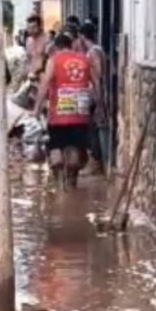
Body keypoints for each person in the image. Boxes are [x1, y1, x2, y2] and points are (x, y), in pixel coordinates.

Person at [32, 32, 99, 189]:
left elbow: (45, 85)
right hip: (80, 114)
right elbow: (97, 84)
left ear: (55, 47)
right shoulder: (85, 60)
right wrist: (100, 105)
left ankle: (59, 172)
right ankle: (71, 177)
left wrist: (37, 108)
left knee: (56, 145)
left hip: (58, 115)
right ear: (71, 45)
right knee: (75, 146)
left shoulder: (54, 60)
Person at [80, 19, 108, 174]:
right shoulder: (100, 50)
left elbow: (97, 76)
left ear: (83, 37)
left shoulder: (92, 53)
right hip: (97, 93)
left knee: (91, 128)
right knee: (94, 127)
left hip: (94, 94)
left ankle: (96, 162)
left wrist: (98, 99)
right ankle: (96, 161)